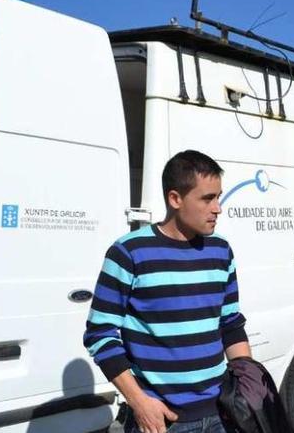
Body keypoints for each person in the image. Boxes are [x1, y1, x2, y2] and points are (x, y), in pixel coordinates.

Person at [84, 150, 251, 433]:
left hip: (221, 414)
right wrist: (139, 402)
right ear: (175, 199)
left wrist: (249, 385)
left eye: (219, 196)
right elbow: (100, 335)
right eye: (207, 198)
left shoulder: (221, 250)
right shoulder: (129, 252)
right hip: (161, 420)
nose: (218, 208)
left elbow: (230, 323)